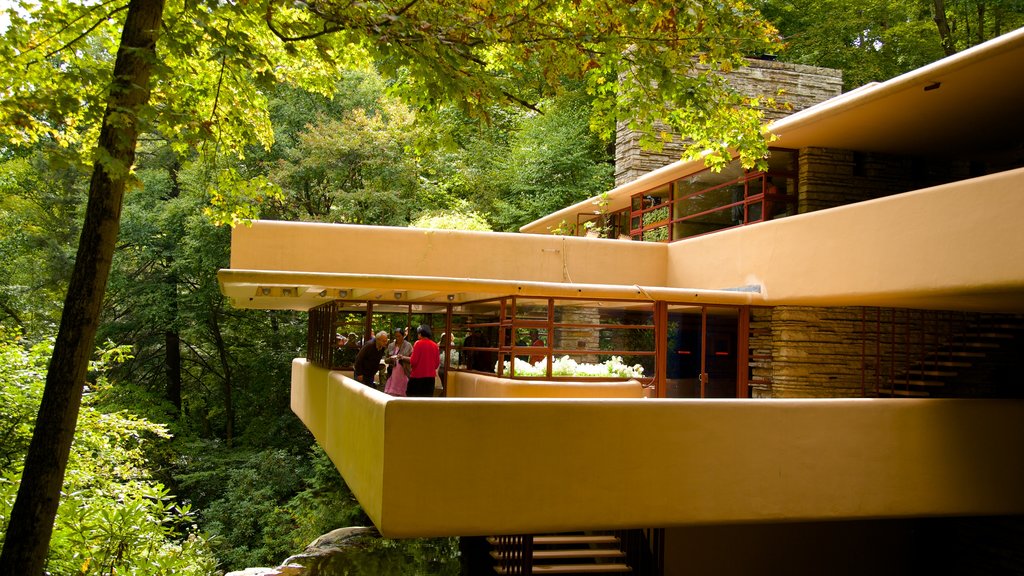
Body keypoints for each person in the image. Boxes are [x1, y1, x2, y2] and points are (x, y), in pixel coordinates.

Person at [407, 324, 440, 397]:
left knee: (413, 398)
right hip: (430, 377)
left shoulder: (418, 343)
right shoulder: (435, 345)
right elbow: (437, 363)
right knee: (427, 400)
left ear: (420, 333)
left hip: (417, 376)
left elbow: (413, 361)